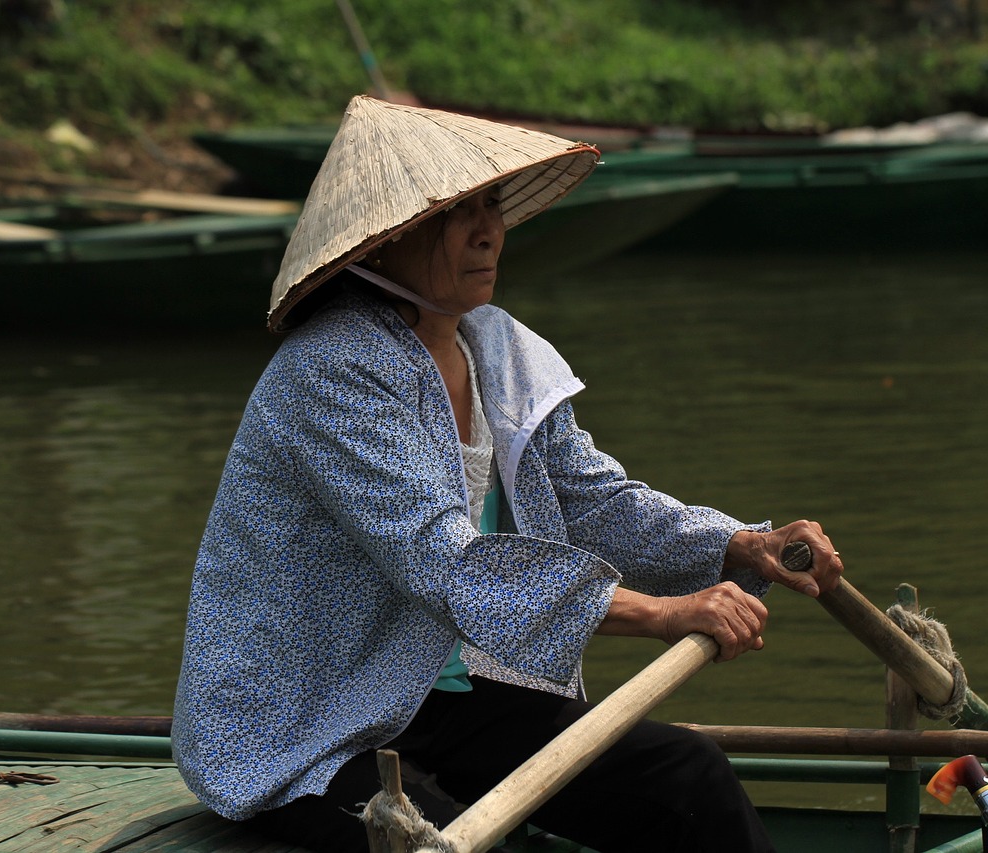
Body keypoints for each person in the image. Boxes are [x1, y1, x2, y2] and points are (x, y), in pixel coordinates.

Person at [172, 95, 844, 853]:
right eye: (454, 214)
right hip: (309, 720)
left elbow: (593, 499)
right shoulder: (331, 372)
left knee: (690, 779)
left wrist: (739, 545)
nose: (487, 231)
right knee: (448, 840)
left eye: (489, 206)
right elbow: (448, 564)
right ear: (382, 239)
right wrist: (663, 613)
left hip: (438, 692)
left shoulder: (494, 349)